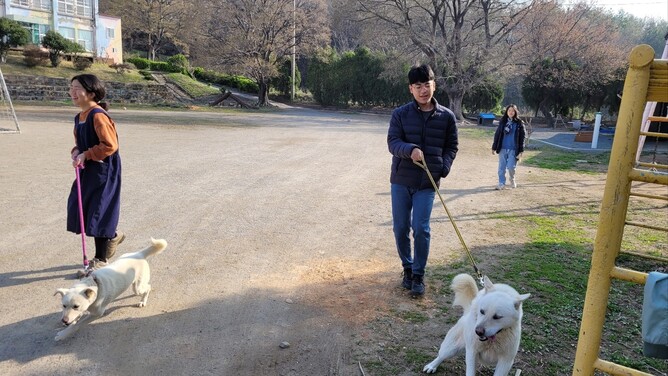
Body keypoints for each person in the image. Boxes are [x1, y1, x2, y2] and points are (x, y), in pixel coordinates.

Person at [387, 64, 459, 297]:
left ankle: (418, 274)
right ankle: (407, 267)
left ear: (434, 85)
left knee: (421, 228)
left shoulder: (446, 117)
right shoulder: (400, 114)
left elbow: (451, 146)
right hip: (401, 180)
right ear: (411, 89)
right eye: (418, 86)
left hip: (427, 183)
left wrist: (443, 168)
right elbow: (393, 143)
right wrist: (410, 150)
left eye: (427, 85)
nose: (423, 90)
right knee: (400, 228)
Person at [67, 74, 124, 272]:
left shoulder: (98, 115)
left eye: (77, 88)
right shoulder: (79, 117)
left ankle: (100, 258)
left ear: (90, 92)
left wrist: (87, 154)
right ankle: (113, 236)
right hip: (88, 168)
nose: (72, 92)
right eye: (71, 88)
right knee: (85, 206)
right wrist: (76, 152)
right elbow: (79, 144)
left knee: (99, 211)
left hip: (103, 169)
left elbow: (110, 145)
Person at [492, 104, 526, 190]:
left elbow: (522, 137)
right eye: (509, 110)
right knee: (501, 167)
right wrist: (494, 147)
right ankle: (501, 183)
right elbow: (497, 134)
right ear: (507, 112)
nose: (511, 112)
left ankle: (512, 179)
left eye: (513, 111)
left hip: (513, 149)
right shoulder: (503, 122)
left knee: (511, 167)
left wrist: (521, 150)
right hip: (502, 148)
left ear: (515, 112)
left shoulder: (519, 123)